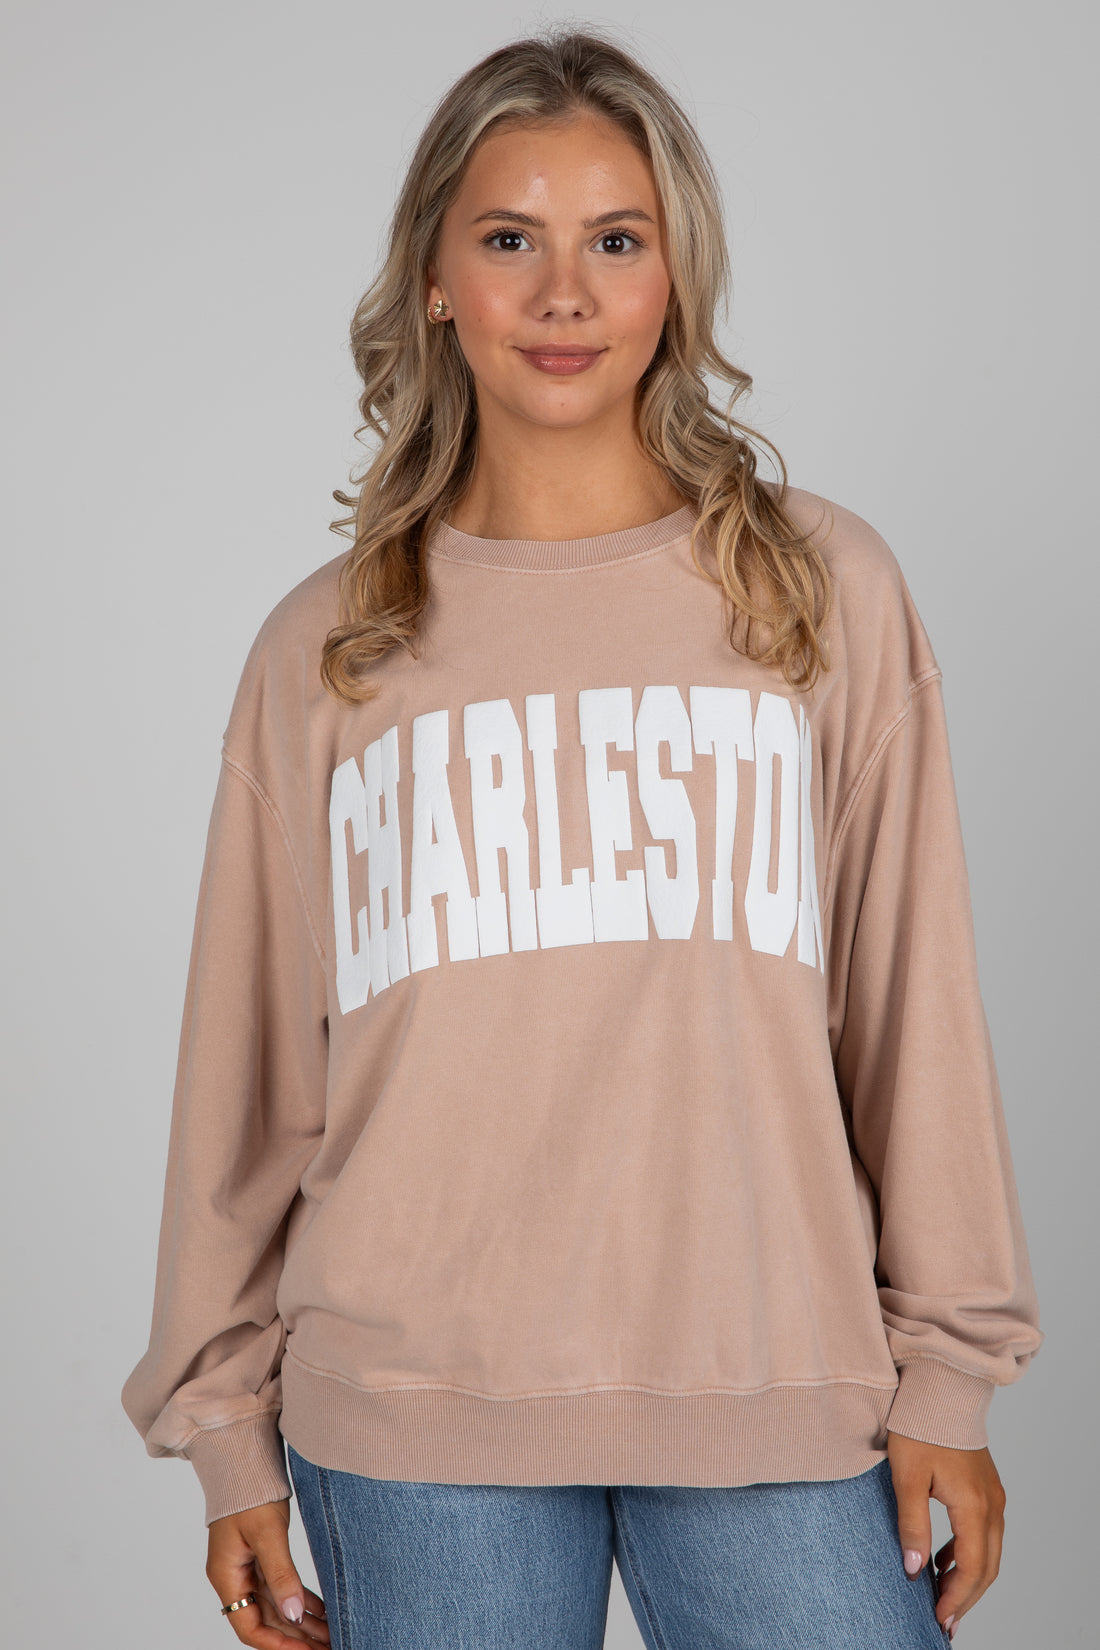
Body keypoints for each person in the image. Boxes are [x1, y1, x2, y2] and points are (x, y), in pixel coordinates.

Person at [120, 24, 1044, 1650]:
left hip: (772, 1377)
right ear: (434, 280)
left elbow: (916, 1009)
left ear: (675, 277)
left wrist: (950, 1375)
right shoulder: (326, 646)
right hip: (412, 1406)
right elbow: (246, 1073)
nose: (564, 295)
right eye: (509, 239)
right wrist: (222, 1432)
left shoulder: (819, 591)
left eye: (616, 241)